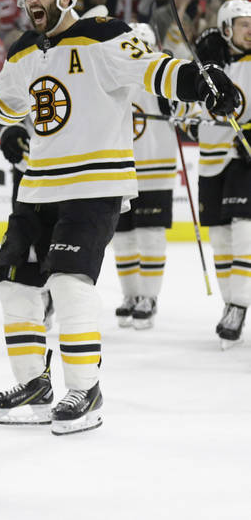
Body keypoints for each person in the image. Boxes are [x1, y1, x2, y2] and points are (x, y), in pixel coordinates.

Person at [0, 0, 237, 436]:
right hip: (38, 186)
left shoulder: (104, 35)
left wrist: (201, 81)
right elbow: (4, 104)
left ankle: (85, 389)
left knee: (69, 281)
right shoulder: (23, 51)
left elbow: (156, 69)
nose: (32, 1)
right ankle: (33, 382)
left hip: (94, 185)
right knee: (14, 283)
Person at [110, 22, 178, 330]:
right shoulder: (112, 78)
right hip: (120, 169)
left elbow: (182, 109)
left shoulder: (160, 80)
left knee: (150, 236)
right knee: (122, 239)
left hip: (155, 168)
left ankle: (149, 298)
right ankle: (131, 295)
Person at [193, 0, 251, 347]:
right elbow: (189, 107)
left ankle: (240, 302)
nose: (250, 30)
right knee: (220, 239)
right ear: (226, 29)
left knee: (244, 228)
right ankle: (231, 304)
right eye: (243, 24)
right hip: (210, 159)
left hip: (243, 159)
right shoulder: (209, 66)